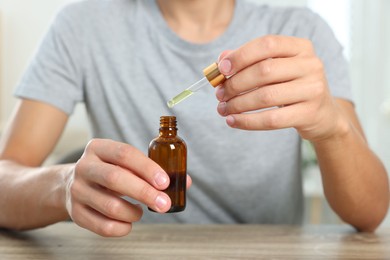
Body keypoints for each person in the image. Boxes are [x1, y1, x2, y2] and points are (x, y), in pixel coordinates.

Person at [0, 0, 388, 237]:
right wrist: (64, 184)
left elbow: (371, 213)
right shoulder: (81, 27)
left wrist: (333, 128)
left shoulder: (302, 34)